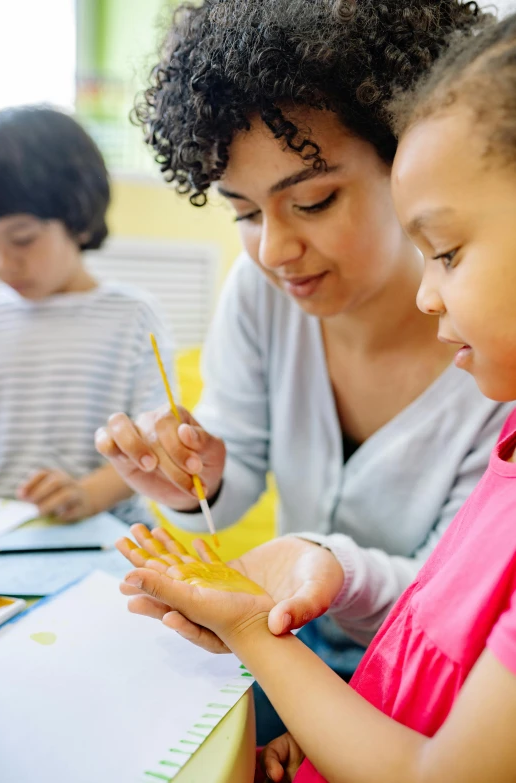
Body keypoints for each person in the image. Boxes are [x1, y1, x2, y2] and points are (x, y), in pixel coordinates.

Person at [117, 12, 516, 781]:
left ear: (409, 164)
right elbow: (225, 490)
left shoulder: (496, 359)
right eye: (241, 211)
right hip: (315, 657)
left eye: (314, 201)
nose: (273, 248)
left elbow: (450, 616)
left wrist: (307, 575)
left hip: (406, 684)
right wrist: (196, 472)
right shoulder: (266, 292)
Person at [0, 105, 174, 525]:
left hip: (104, 530)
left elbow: (157, 441)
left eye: (22, 239)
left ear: (78, 220)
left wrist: (86, 494)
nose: (2, 263)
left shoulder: (132, 317)